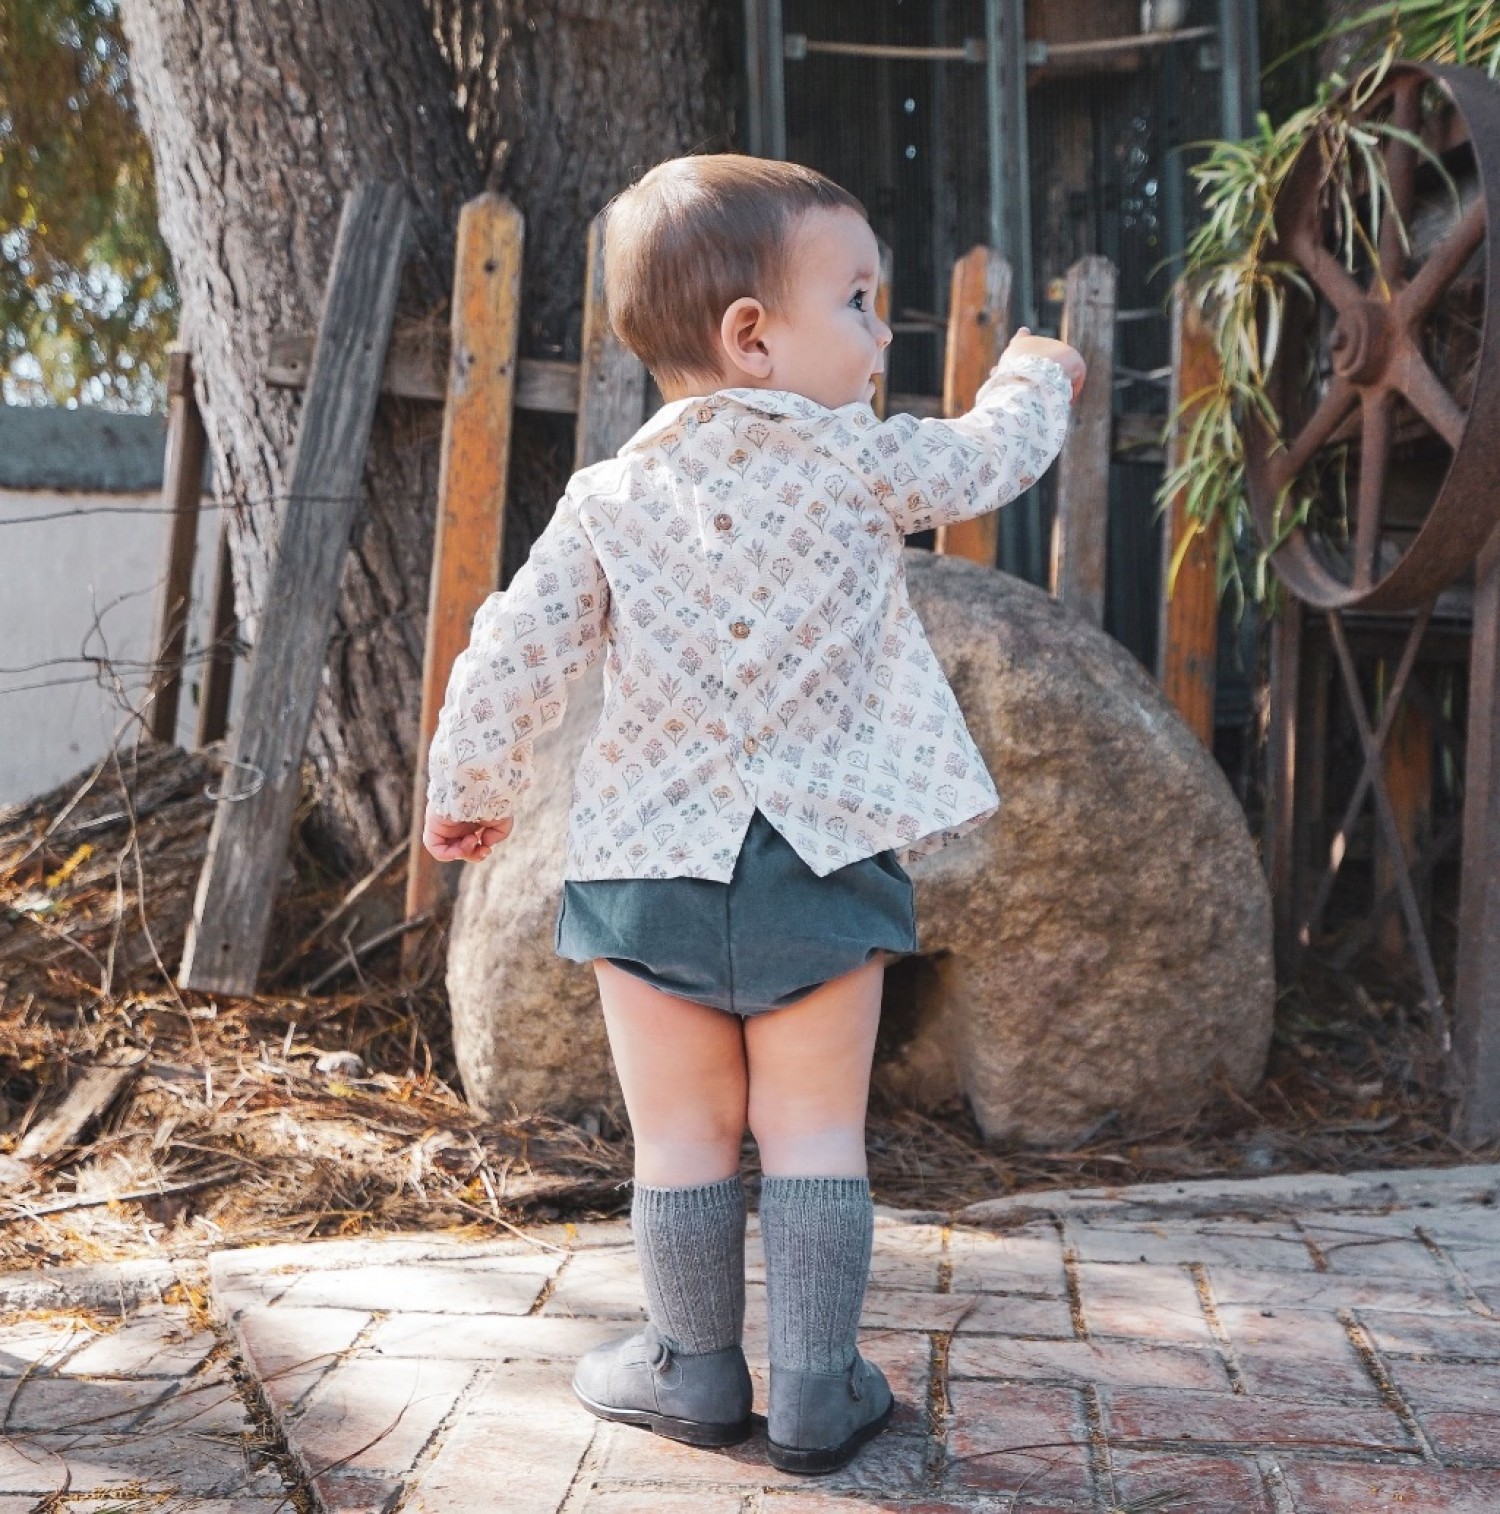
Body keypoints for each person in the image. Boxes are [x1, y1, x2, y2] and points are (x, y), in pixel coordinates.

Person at [421, 153, 1084, 1475]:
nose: (882, 331)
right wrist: (1037, 376)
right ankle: (820, 1389)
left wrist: (470, 791)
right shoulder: (858, 462)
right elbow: (988, 455)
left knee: (679, 1132)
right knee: (814, 1128)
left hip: (647, 866)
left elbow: (515, 650)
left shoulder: (604, 497)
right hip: (820, 859)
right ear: (752, 335)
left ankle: (693, 1363)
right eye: (858, 300)